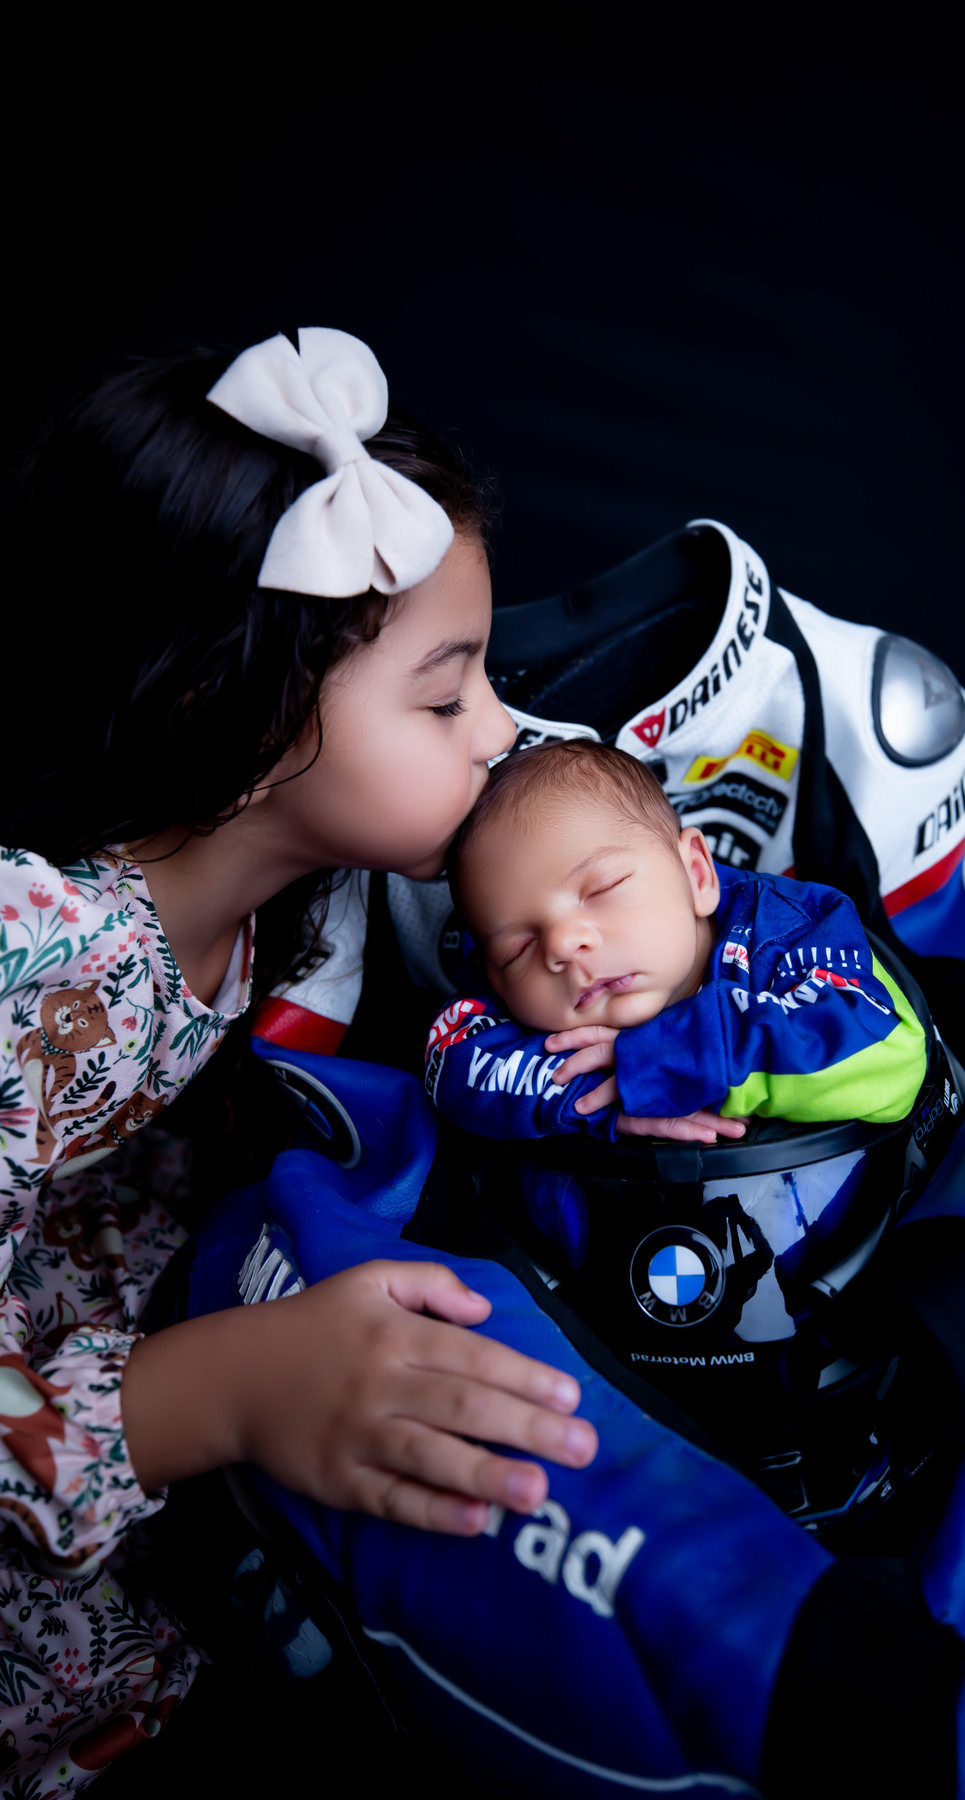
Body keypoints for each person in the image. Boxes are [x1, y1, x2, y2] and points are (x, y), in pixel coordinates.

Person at [0, 327, 599, 1794]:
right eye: (447, 694)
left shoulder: (313, 890)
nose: (497, 729)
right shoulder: (31, 959)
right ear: (244, 719)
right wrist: (231, 1390)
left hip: (188, 1562)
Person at [426, 738, 926, 1144]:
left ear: (696, 874)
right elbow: (447, 1064)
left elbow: (892, 1059)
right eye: (517, 949)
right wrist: (593, 1096)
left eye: (602, 889)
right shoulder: (510, 1002)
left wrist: (663, 1058)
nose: (561, 945)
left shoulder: (792, 930)